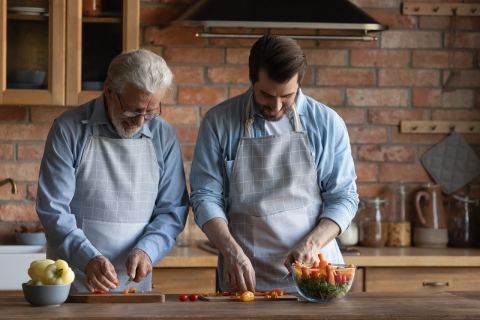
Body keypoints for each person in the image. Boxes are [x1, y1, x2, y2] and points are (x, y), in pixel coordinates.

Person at [190, 35, 358, 293]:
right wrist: (231, 252)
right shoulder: (218, 122)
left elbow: (344, 197)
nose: (276, 106)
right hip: (245, 276)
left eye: (287, 96)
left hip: (315, 275)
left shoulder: (327, 123)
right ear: (252, 79)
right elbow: (205, 197)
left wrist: (312, 244)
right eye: (266, 94)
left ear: (299, 83)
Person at [36, 49, 189, 292]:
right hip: (70, 280)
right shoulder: (68, 129)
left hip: (134, 286)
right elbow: (53, 210)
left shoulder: (164, 136)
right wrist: (88, 258)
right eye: (132, 110)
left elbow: (172, 211)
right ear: (109, 90)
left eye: (150, 113)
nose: (139, 122)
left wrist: (148, 250)